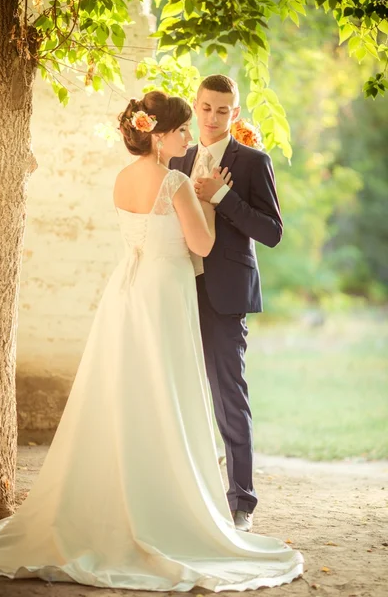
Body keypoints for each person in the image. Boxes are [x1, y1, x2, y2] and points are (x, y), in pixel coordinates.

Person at [0, 91, 302, 591]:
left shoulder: (122, 177)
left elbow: (255, 230)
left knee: (128, 390)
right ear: (159, 134)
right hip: (165, 293)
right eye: (181, 127)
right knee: (168, 392)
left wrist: (216, 198)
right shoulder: (175, 177)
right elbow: (201, 243)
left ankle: (197, 496)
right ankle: (167, 503)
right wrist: (204, 199)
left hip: (129, 291)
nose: (188, 134)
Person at [170, 75, 283, 532]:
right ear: (195, 108)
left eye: (223, 110)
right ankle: (183, 491)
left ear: (235, 113)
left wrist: (223, 197)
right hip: (175, 286)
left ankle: (241, 502)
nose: (213, 118)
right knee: (176, 391)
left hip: (225, 293)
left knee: (229, 397)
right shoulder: (177, 158)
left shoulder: (253, 161)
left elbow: (272, 232)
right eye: (206, 108)